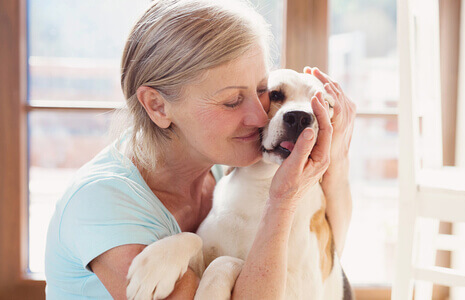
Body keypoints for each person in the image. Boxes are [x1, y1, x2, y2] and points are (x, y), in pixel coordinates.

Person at [44, 0, 356, 299]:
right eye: (232, 101)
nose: (260, 116)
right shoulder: (102, 204)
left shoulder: (224, 163)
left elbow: (329, 251)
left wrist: (337, 152)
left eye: (261, 90)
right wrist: (283, 201)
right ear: (157, 106)